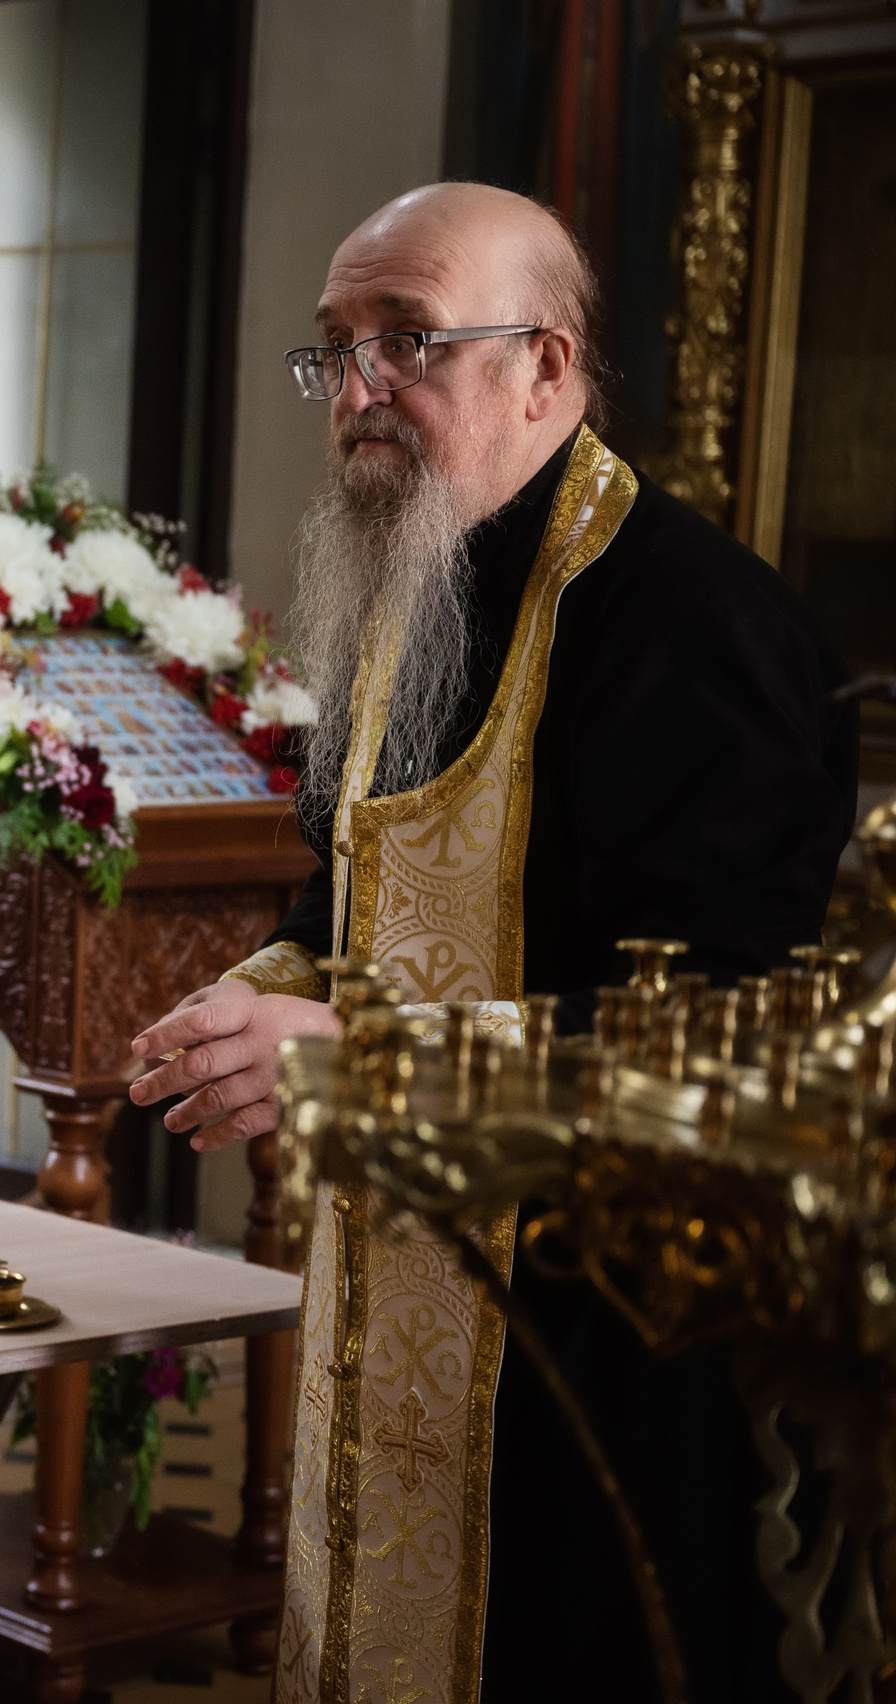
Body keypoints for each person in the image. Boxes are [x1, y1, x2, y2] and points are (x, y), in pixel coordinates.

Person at [126, 184, 855, 1701]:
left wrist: (362, 1059)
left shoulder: (698, 624)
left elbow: (749, 1046)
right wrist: (260, 997)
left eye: (409, 339)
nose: (360, 389)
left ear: (547, 370)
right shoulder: (413, 584)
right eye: (336, 349)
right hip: (396, 1291)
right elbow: (350, 913)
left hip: (606, 1361)